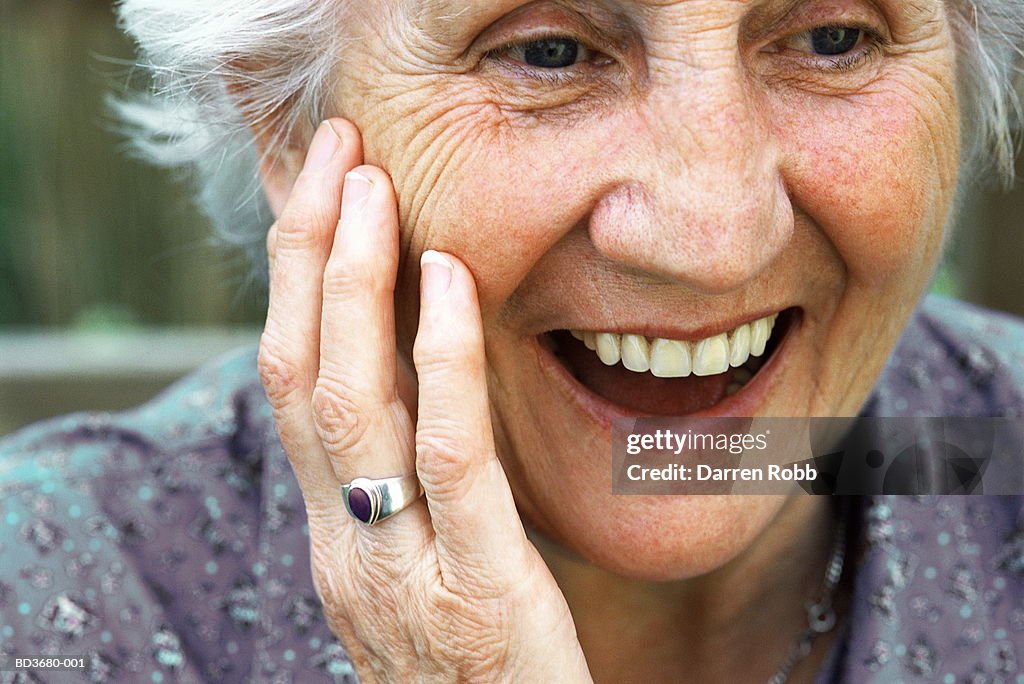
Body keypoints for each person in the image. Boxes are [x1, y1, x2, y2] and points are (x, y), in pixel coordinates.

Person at [2, 1, 1024, 681]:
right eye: (549, 51)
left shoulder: (992, 457)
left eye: (832, 38)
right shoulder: (61, 602)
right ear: (285, 126)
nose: (713, 240)